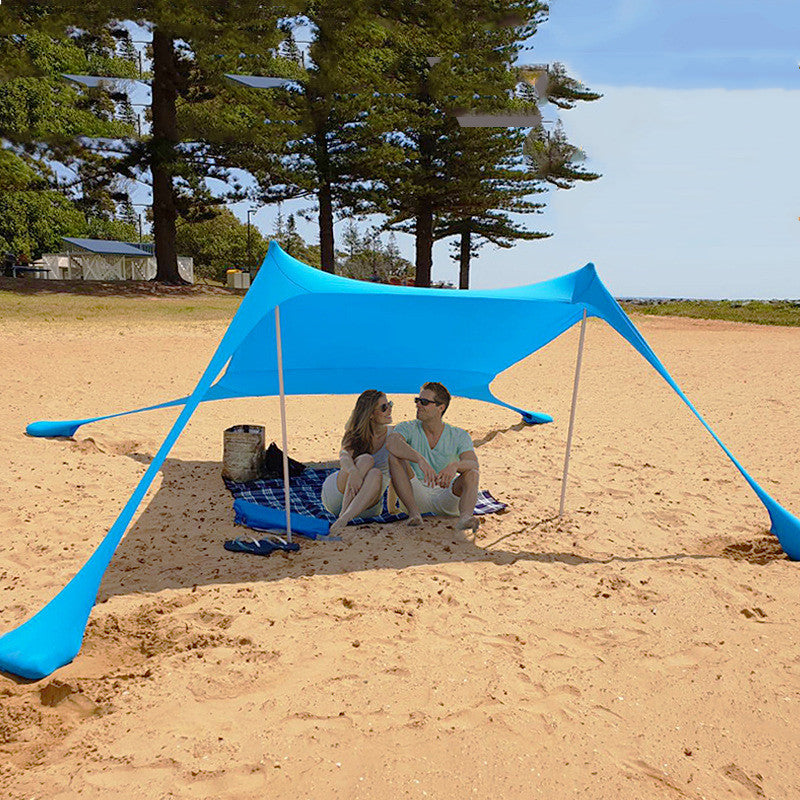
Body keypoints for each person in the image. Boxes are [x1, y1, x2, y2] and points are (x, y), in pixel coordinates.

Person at [387, 381, 480, 533]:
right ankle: (414, 514)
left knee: (472, 473)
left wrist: (454, 466)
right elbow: (392, 443)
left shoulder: (459, 435)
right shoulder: (408, 427)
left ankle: (465, 518)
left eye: (424, 402)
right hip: (416, 495)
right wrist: (419, 459)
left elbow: (473, 463)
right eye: (417, 401)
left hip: (446, 496)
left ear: (440, 408)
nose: (418, 405)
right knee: (394, 457)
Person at [321, 389, 394, 535]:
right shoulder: (356, 434)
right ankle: (344, 512)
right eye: (384, 407)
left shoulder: (394, 436)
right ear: (371, 414)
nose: (390, 409)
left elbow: (399, 470)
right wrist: (353, 471)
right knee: (367, 459)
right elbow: (344, 455)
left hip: (367, 504)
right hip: (338, 496)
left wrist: (392, 506)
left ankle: (344, 518)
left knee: (375, 473)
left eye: (390, 404)